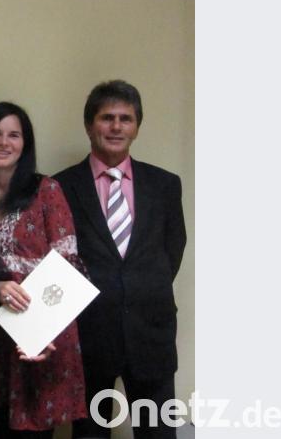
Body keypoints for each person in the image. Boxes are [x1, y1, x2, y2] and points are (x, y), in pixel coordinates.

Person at [53, 80, 187, 438]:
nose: (116, 126)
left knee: (157, 432)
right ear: (89, 125)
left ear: (137, 127)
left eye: (125, 119)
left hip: (151, 334)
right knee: (91, 435)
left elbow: (172, 250)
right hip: (89, 336)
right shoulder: (60, 187)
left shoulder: (165, 185)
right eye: (106, 117)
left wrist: (138, 287)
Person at [0, 102, 88, 438]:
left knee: (35, 432)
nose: (4, 142)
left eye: (14, 135)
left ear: (25, 144)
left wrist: (41, 331)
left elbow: (68, 266)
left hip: (41, 334)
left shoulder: (47, 191)